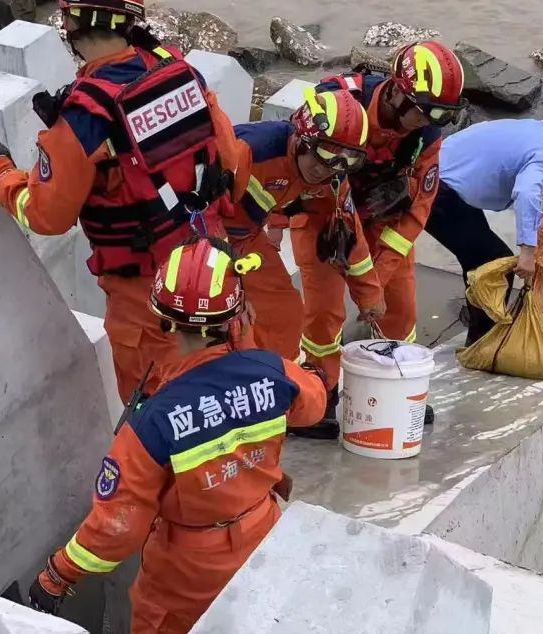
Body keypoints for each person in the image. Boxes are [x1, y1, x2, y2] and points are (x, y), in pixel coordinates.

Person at [0, 0, 242, 402]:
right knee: (225, 388)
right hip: (213, 265)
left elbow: (46, 214)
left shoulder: (85, 116)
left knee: (159, 416)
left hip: (146, 294)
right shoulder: (178, 70)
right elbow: (230, 157)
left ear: (71, 24)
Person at [28, 234, 327, 633]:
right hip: (263, 535)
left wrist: (58, 574)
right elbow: (313, 404)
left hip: (187, 570)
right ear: (238, 315)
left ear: (162, 319)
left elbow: (118, 527)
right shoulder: (273, 373)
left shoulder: (154, 422)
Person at [226, 88, 386, 439]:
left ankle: (273, 398)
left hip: (244, 232)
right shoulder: (248, 151)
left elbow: (347, 235)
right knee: (230, 316)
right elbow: (199, 214)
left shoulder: (331, 175)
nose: (327, 169)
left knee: (284, 314)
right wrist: (229, 286)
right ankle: (244, 394)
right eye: (325, 156)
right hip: (206, 234)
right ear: (301, 138)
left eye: (345, 162)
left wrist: (369, 295)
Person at [302, 39, 466, 347]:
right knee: (324, 311)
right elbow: (296, 165)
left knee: (400, 310)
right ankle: (322, 380)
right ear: (395, 92)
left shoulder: (425, 134)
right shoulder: (338, 104)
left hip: (382, 213)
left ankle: (393, 368)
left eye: (443, 115)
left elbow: (420, 206)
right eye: (426, 112)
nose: (431, 123)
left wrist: (379, 271)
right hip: (325, 213)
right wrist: (277, 226)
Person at [424, 110, 543, 345]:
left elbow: (512, 166)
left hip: (438, 175)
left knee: (479, 260)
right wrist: (528, 252)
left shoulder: (539, 130)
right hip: (438, 191)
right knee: (495, 264)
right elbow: (525, 192)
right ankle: (481, 343)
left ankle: (479, 317)